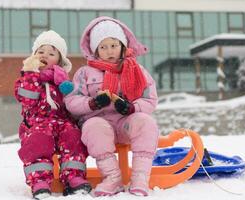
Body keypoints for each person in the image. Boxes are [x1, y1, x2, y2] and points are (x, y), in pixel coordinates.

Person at [64, 16, 159, 197]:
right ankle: (112, 177)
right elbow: (72, 100)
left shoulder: (137, 70)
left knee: (146, 123)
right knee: (93, 126)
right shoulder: (84, 73)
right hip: (100, 124)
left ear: (123, 46)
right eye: (103, 47)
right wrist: (92, 104)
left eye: (114, 45)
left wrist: (132, 108)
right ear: (95, 50)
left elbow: (150, 99)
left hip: (126, 123)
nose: (109, 51)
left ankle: (140, 177)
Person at [14, 30, 91, 199]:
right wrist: (31, 73)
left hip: (62, 121)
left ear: (59, 59)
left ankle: (74, 177)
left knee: (73, 135)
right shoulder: (26, 78)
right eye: (41, 52)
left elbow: (71, 103)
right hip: (37, 123)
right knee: (39, 140)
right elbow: (27, 99)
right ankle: (39, 181)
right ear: (34, 55)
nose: (45, 56)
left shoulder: (63, 81)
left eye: (51, 53)